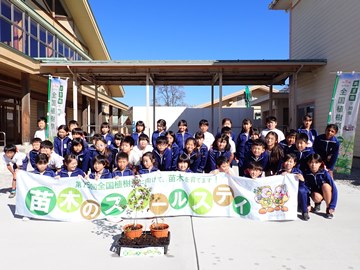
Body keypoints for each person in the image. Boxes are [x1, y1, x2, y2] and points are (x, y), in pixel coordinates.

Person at [304, 154, 338, 219]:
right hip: (316, 193)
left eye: (316, 163)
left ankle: (328, 209)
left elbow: (334, 189)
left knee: (326, 186)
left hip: (326, 192)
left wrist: (332, 206)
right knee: (316, 196)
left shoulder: (324, 173)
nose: (313, 165)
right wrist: (307, 204)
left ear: (320, 164)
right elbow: (306, 190)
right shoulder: (306, 174)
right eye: (311, 162)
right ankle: (317, 203)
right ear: (308, 163)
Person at [277, 154, 310, 221]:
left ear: (294, 164)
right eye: (286, 161)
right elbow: (276, 184)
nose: (288, 163)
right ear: (283, 163)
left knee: (302, 190)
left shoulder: (298, 171)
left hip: (295, 192)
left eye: (290, 162)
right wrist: (280, 176)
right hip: (285, 193)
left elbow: (302, 185)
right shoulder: (280, 172)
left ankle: (305, 212)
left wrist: (302, 179)